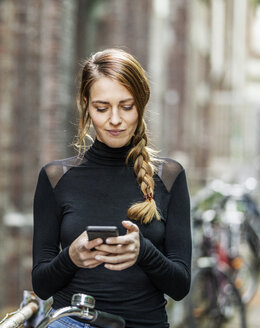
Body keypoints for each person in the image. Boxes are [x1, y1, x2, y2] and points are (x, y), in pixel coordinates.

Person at [31, 48, 191, 328]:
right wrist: (71, 257)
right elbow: (42, 285)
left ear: (141, 104)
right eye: (102, 108)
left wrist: (144, 251)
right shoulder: (55, 177)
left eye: (126, 106)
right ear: (86, 105)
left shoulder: (169, 176)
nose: (114, 119)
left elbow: (180, 286)